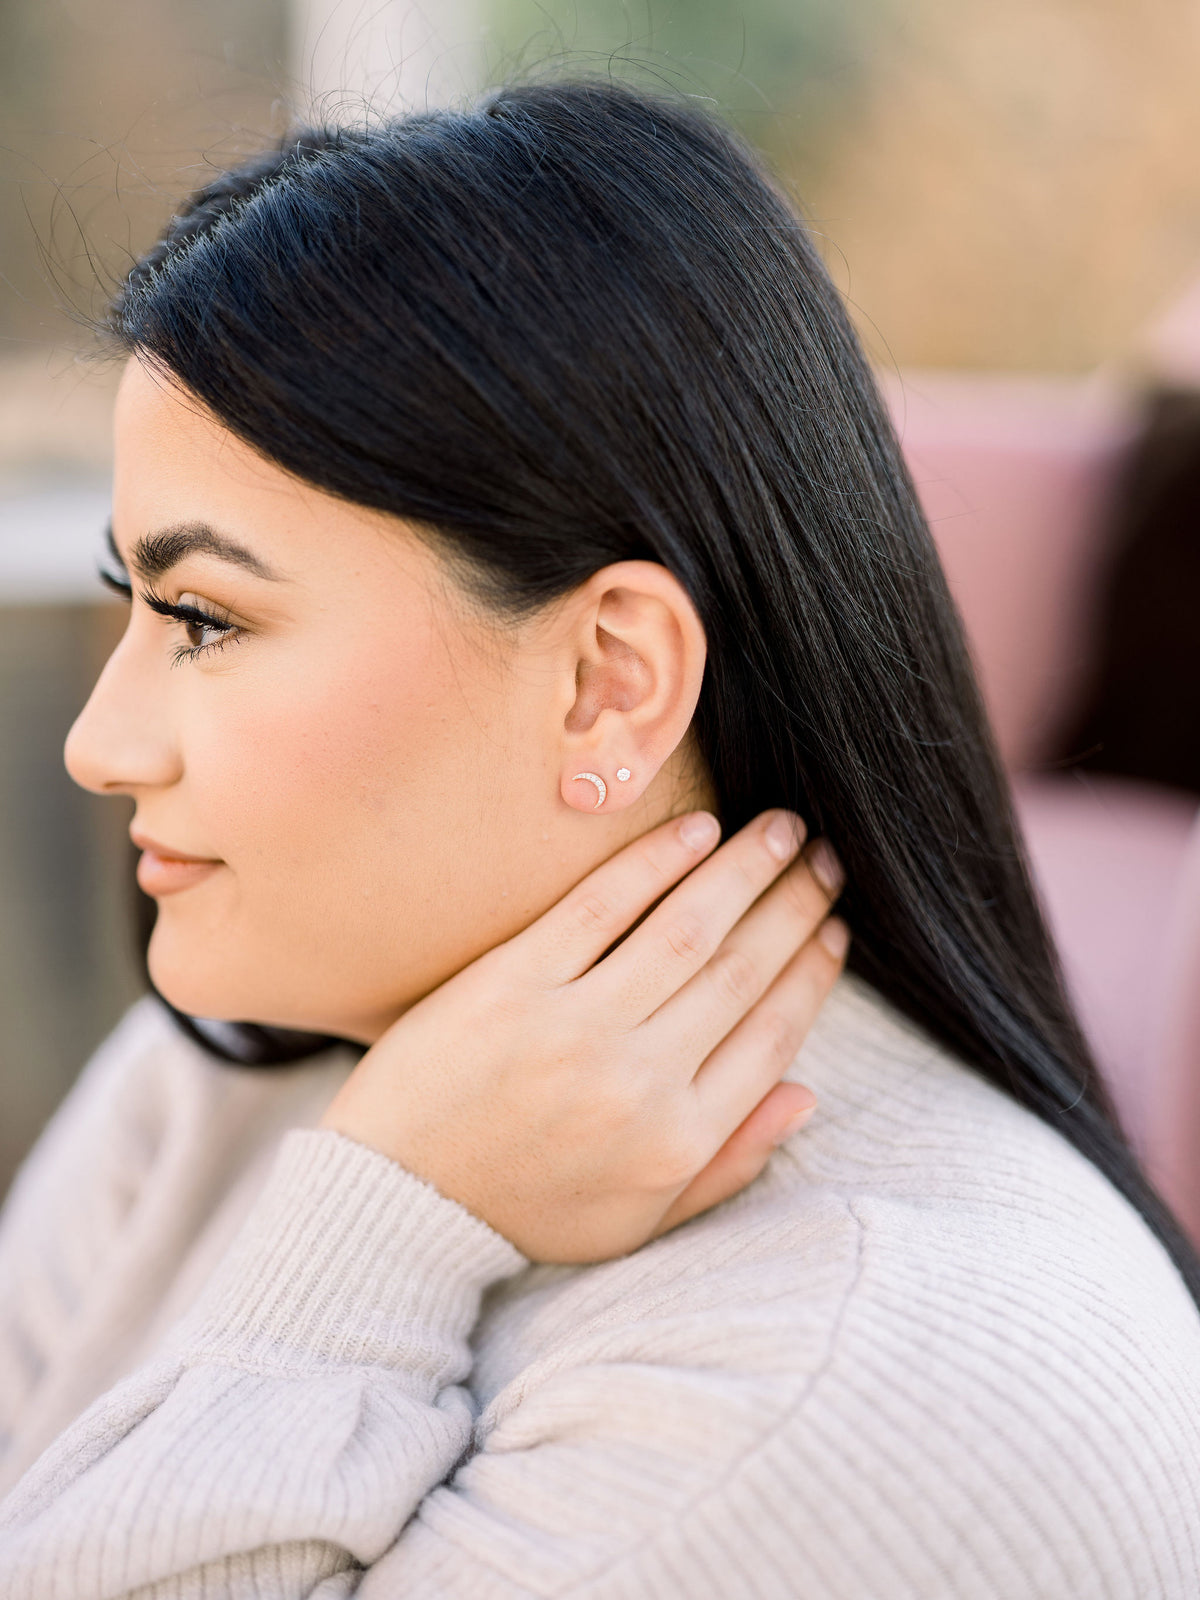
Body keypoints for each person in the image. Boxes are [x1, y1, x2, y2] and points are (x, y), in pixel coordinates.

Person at [1, 76, 1198, 1599]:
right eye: (134, 604)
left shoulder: (840, 1389)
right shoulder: (237, 1058)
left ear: (609, 680)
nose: (96, 747)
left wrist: (376, 1237)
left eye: (204, 617)